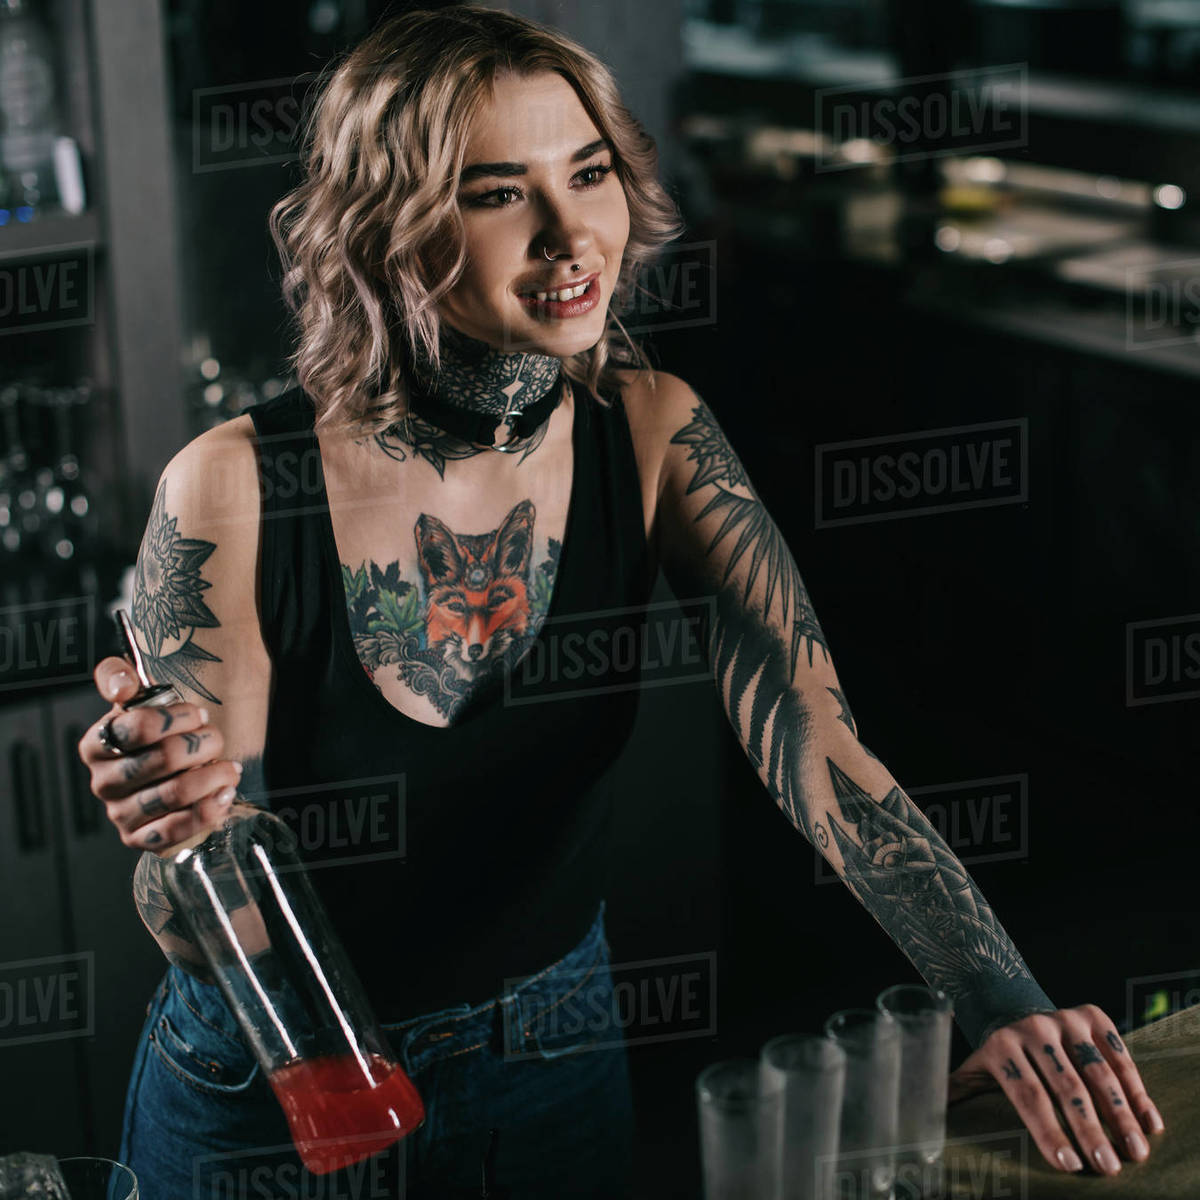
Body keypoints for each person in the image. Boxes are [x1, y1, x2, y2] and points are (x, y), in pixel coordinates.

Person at [78, 5, 1164, 1197]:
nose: (568, 234)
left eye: (586, 172)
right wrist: (168, 822)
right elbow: (194, 918)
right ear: (388, 229)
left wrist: (1000, 996)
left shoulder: (653, 433)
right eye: (497, 193)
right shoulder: (232, 486)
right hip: (280, 1088)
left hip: (551, 1057)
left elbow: (816, 745)